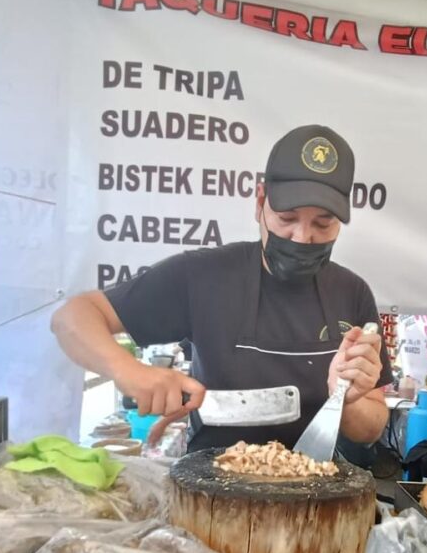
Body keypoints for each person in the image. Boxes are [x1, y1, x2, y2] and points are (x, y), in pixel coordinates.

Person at [51, 124, 393, 452]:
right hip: (211, 484)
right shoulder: (202, 276)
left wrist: (347, 399)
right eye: (287, 218)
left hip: (318, 487)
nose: (302, 237)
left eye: (323, 223)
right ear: (260, 202)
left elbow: (371, 429)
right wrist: (127, 370)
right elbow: (72, 318)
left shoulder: (352, 293)